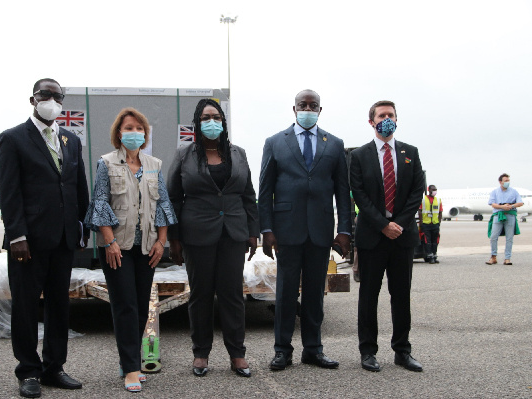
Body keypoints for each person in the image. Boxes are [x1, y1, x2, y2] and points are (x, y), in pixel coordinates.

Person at [0, 78, 89, 398]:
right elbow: (9, 193)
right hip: (28, 241)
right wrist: (17, 234)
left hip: (63, 238)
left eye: (57, 96)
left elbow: (78, 189)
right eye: (46, 94)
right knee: (25, 306)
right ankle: (28, 371)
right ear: (32, 99)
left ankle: (53, 368)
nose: (52, 100)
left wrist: (81, 228)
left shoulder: (70, 140)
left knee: (59, 306)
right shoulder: (13, 139)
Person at [85, 107, 177, 392]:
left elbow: (162, 204)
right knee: (124, 306)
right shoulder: (106, 163)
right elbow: (100, 202)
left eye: (139, 128)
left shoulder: (154, 164)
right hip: (117, 247)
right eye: (129, 127)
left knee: (140, 309)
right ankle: (130, 369)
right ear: (118, 133)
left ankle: (131, 361)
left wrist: (162, 242)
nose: (134, 132)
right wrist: (110, 242)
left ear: (145, 134)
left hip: (147, 247)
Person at [258, 89, 351, 371]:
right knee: (286, 294)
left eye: (313, 105)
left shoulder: (334, 144)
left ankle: (313, 349)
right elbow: (265, 190)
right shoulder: (275, 142)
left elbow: (342, 192)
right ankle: (282, 350)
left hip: (321, 231)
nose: (307, 108)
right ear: (294, 108)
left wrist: (345, 229)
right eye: (303, 105)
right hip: (286, 230)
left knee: (314, 294)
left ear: (320, 110)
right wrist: (267, 229)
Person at [167, 99, 258, 378]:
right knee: (201, 295)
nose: (211, 122)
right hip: (197, 234)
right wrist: (175, 239)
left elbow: (248, 195)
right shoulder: (185, 155)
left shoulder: (238, 154)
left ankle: (237, 354)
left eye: (216, 116)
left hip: (232, 233)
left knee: (232, 296)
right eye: (206, 117)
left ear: (223, 121)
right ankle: (201, 354)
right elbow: (173, 198)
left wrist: (253, 232)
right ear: (197, 121)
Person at [350, 100, 425, 373]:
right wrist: (383, 225)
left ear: (397, 119)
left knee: (401, 295)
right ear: (372, 121)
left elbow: (417, 192)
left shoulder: (410, 153)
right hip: (373, 237)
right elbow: (359, 195)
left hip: (402, 237)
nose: (387, 119)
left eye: (391, 115)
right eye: (381, 115)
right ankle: (368, 351)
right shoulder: (359, 156)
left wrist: (399, 224)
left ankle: (402, 351)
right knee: (368, 296)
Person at [486, 173, 523, 265]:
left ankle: (507, 258)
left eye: (508, 180)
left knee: (509, 237)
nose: (507, 182)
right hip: (498, 215)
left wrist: (511, 206)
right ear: (500, 182)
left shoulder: (514, 191)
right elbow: (492, 204)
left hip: (510, 215)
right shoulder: (495, 192)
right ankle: (493, 256)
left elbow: (520, 203)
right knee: (493, 237)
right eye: (505, 181)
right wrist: (502, 207)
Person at [418, 185, 442, 264]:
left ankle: (434, 255)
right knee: (427, 240)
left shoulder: (438, 200)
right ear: (429, 190)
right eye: (433, 189)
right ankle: (429, 256)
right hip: (426, 223)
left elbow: (440, 212)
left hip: (435, 224)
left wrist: (439, 222)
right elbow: (420, 211)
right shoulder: (423, 199)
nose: (435, 191)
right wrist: (421, 223)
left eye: (435, 189)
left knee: (435, 240)